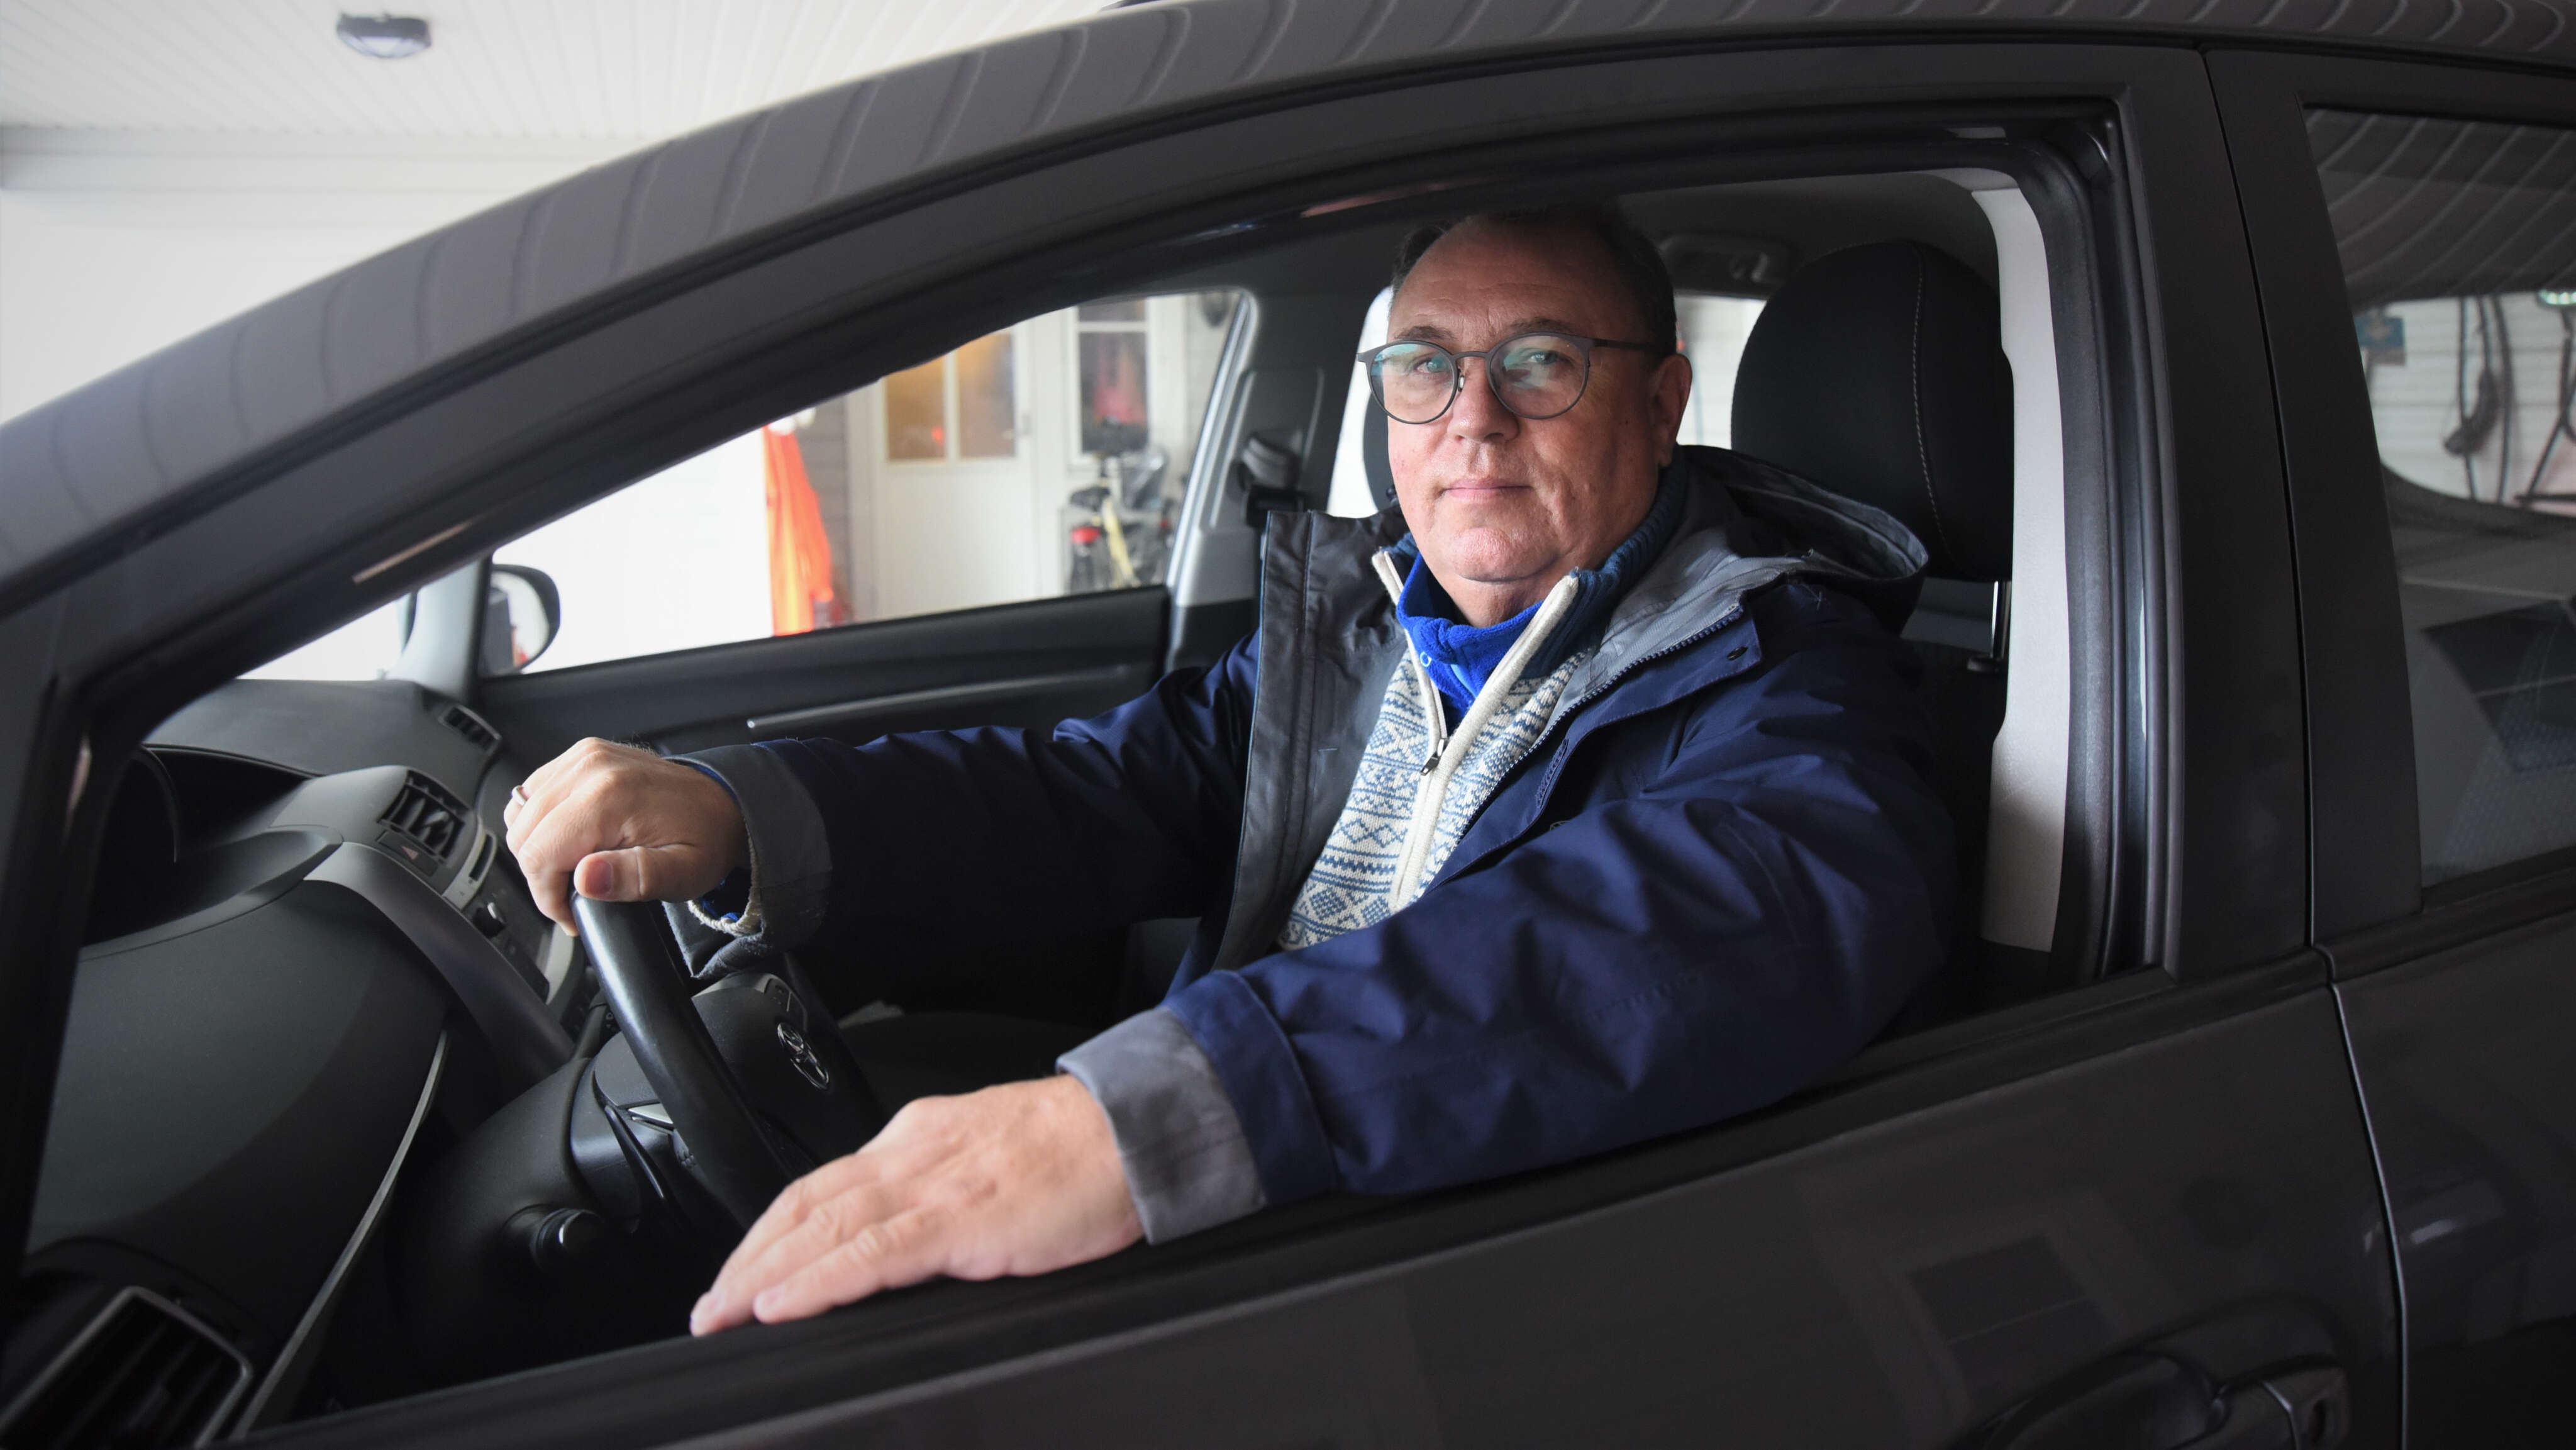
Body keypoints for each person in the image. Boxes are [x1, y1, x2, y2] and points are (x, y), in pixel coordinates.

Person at [502, 204, 1953, 1337]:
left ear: (1659, 399)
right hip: (1244, 1197)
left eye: (1539, 361)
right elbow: (1090, 794)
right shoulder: (1368, 633)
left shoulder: (1784, 671)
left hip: (1435, 1267)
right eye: (1423, 366)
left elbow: (1719, 908)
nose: (1471, 418)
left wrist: (1156, 1109)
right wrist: (749, 812)